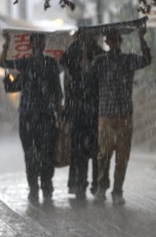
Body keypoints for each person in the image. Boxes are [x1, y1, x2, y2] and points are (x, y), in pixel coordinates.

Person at [87, 27, 151, 204]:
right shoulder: (100, 62)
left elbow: (146, 60)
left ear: (119, 41)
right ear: (107, 42)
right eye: (110, 39)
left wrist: (142, 39)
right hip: (106, 114)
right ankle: (101, 186)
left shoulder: (128, 60)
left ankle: (117, 190)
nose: (113, 42)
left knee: (122, 156)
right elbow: (88, 76)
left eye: (116, 39)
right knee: (104, 154)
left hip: (124, 114)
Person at [1, 33, 63, 202]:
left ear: (43, 44)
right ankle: (33, 187)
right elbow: (4, 65)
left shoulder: (50, 64)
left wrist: (60, 114)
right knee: (30, 155)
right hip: (27, 117)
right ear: (30, 45)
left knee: (46, 154)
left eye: (40, 41)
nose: (37, 45)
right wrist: (6, 45)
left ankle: (46, 185)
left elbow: (57, 92)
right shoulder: (25, 64)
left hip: (46, 116)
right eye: (34, 42)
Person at [60, 32, 105, 200]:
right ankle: (80, 183)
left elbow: (99, 75)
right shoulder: (72, 53)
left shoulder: (99, 54)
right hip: (78, 111)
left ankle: (96, 183)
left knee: (95, 150)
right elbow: (68, 74)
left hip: (94, 110)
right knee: (79, 150)